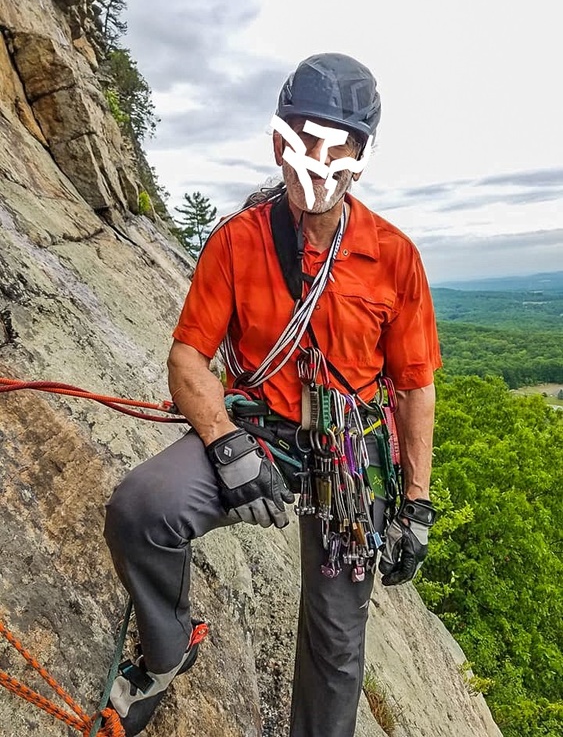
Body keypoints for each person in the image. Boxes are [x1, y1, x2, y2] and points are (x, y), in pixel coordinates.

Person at [104, 52, 441, 737]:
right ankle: (168, 649)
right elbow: (188, 356)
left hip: (346, 454)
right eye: (303, 137)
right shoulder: (238, 243)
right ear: (278, 142)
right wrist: (225, 444)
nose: (317, 159)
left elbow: (412, 387)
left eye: (336, 143)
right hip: (259, 433)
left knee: (336, 643)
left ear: (360, 154)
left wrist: (415, 503)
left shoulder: (393, 256)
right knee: (141, 510)